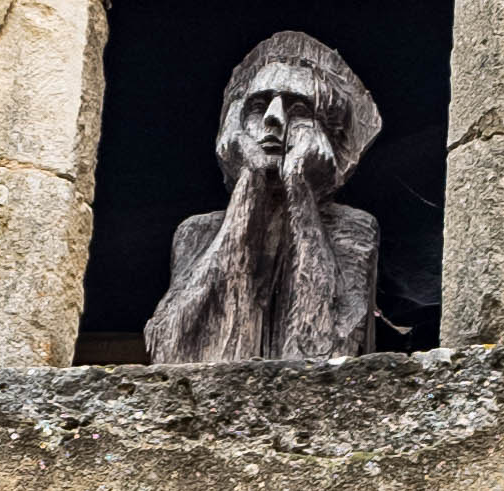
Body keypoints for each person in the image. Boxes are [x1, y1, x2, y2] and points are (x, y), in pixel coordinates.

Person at [142, 29, 381, 364]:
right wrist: (248, 186)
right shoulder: (195, 233)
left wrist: (299, 188)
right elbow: (173, 349)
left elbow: (325, 349)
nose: (273, 118)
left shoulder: (354, 231)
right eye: (257, 106)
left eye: (299, 109)